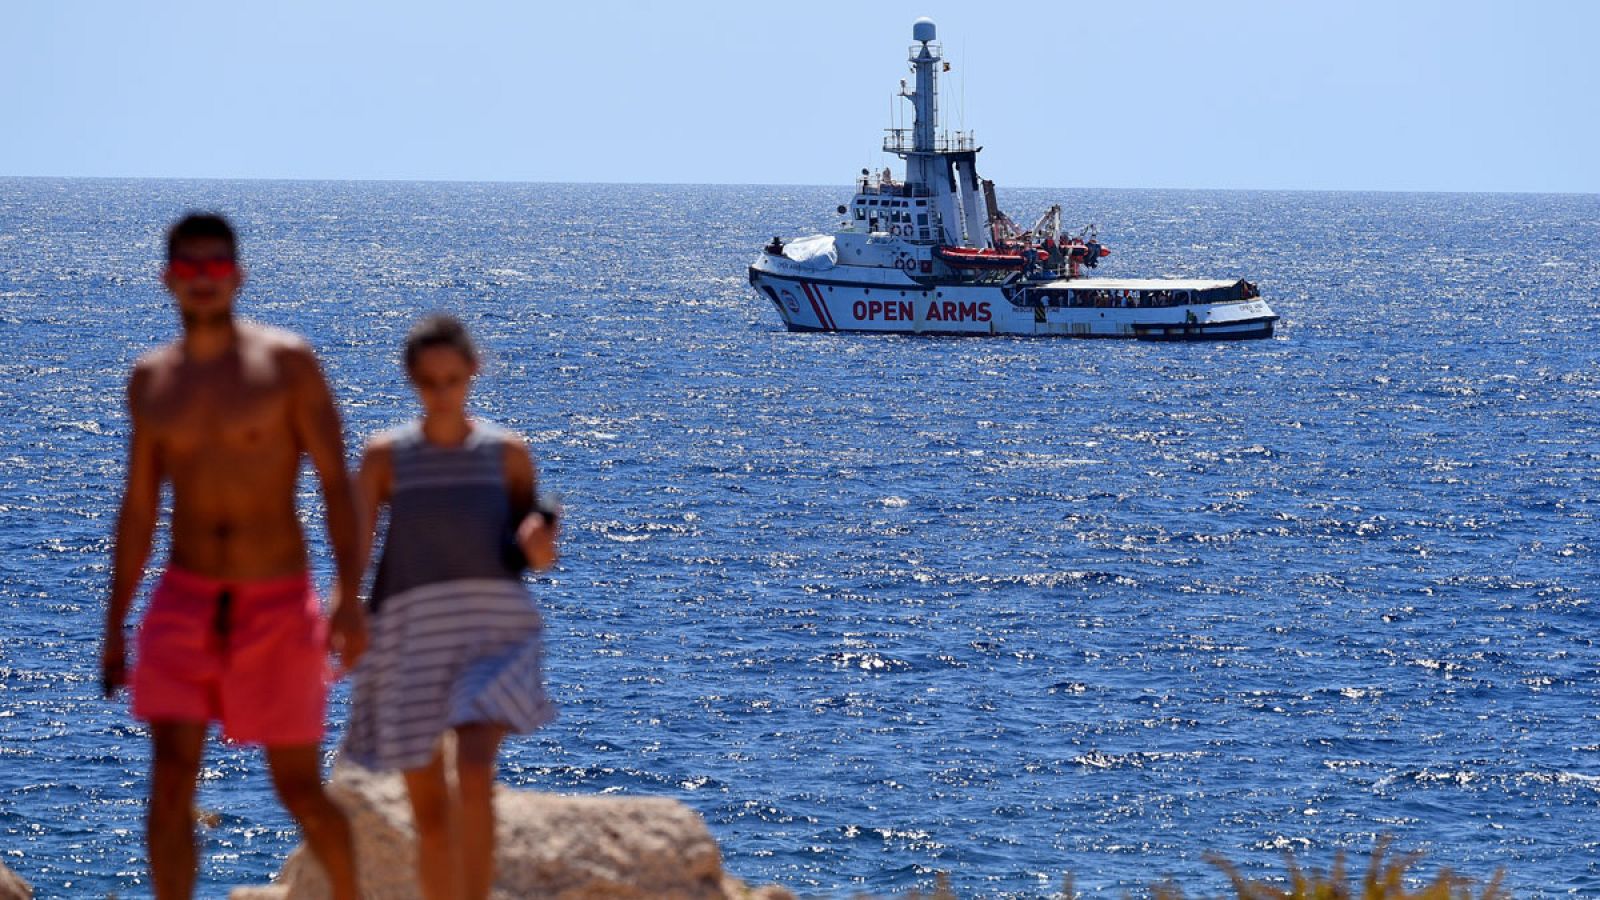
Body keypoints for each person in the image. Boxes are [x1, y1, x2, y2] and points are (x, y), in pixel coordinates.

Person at [99, 213, 365, 899]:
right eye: (189, 267)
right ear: (167, 280)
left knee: (298, 785)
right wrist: (114, 624)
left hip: (274, 600)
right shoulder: (152, 381)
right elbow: (138, 510)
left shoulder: (286, 364)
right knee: (168, 788)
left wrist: (349, 596)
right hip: (185, 599)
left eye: (216, 265)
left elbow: (339, 486)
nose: (203, 279)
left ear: (238, 276)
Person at [341, 313, 558, 900]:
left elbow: (531, 548)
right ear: (411, 381)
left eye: (452, 380)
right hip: (409, 634)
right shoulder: (385, 457)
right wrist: (346, 614)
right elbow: (356, 550)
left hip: (492, 630)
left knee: (474, 767)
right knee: (430, 813)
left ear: (473, 373)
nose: (441, 394)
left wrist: (540, 545)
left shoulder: (508, 454)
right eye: (428, 382)